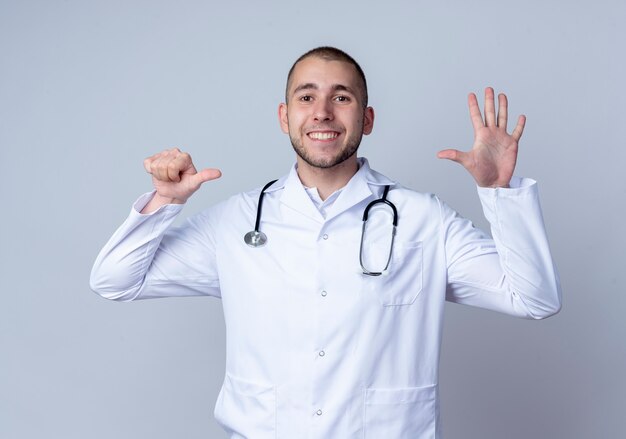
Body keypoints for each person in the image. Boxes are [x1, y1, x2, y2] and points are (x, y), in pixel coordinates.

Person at [90, 46, 561, 438]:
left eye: (342, 97)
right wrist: (165, 201)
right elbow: (114, 281)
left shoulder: (422, 220)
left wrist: (499, 192)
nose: (322, 112)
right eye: (306, 97)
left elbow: (534, 298)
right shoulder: (236, 221)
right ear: (284, 116)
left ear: (367, 117)